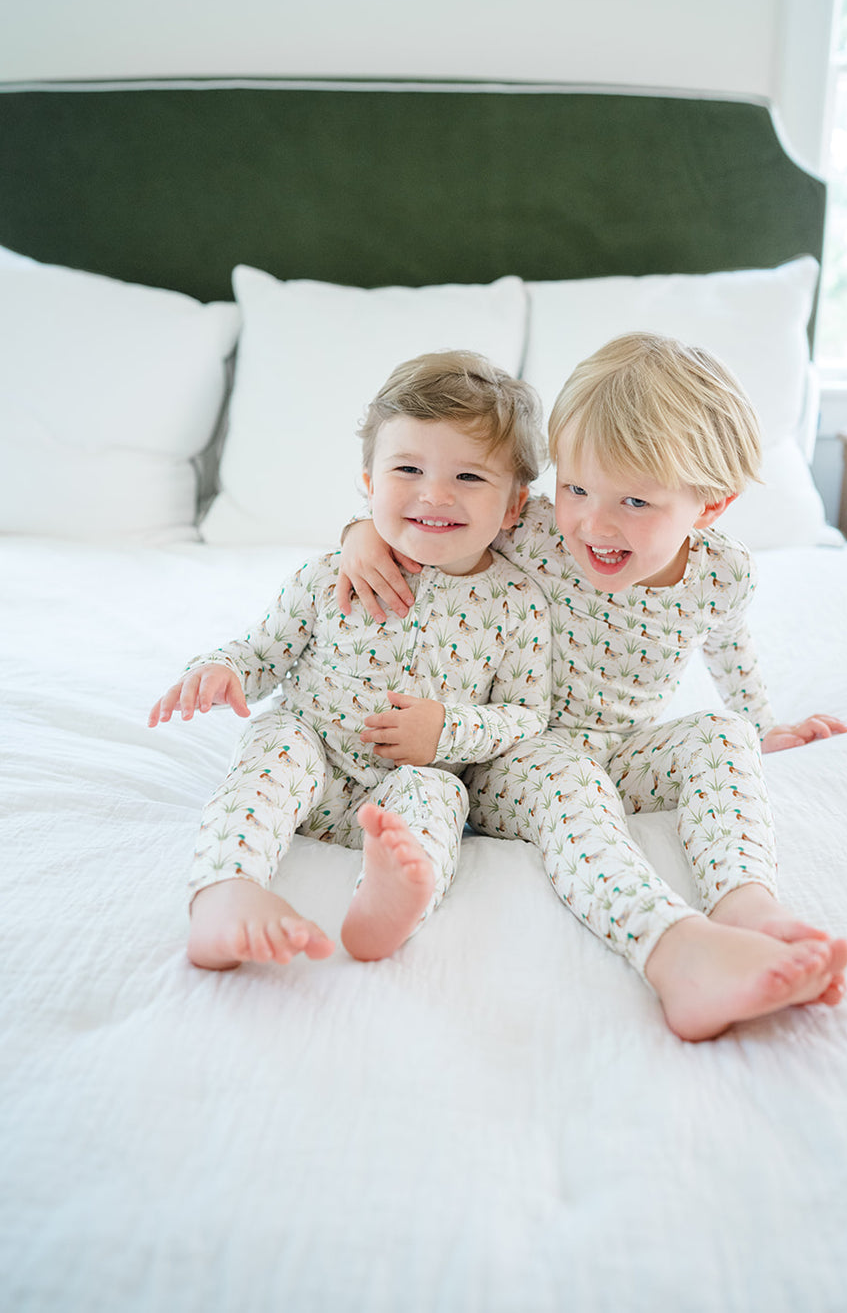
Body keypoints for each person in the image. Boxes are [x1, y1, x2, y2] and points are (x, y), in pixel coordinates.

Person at [336, 333, 847, 1042]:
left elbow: (730, 649)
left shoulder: (722, 573)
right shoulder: (534, 532)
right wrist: (359, 532)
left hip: (625, 747)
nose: (594, 523)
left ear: (710, 507)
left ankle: (747, 908)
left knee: (719, 736)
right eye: (575, 488)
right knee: (568, 784)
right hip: (516, 751)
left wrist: (762, 726)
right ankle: (674, 952)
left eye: (636, 501)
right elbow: (432, 524)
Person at [149, 350, 550, 972]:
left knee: (439, 795)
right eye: (408, 469)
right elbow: (263, 651)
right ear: (368, 483)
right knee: (275, 744)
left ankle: (388, 906)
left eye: (470, 478)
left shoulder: (519, 604)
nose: (434, 494)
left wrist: (448, 731)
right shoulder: (326, 575)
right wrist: (221, 668)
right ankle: (225, 892)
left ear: (513, 506)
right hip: (314, 749)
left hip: (407, 779)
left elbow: (527, 713)